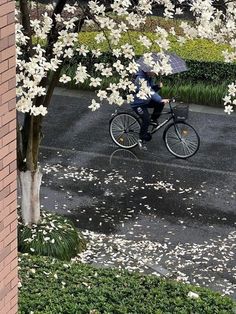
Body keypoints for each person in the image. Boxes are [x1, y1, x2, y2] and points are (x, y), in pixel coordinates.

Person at [130, 70, 169, 150]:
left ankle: (153, 120)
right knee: (146, 118)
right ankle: (141, 138)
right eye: (155, 72)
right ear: (149, 70)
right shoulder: (140, 79)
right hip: (137, 103)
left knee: (160, 104)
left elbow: (151, 89)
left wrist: (157, 86)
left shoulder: (148, 77)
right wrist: (160, 99)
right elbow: (149, 91)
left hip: (145, 100)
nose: (156, 74)